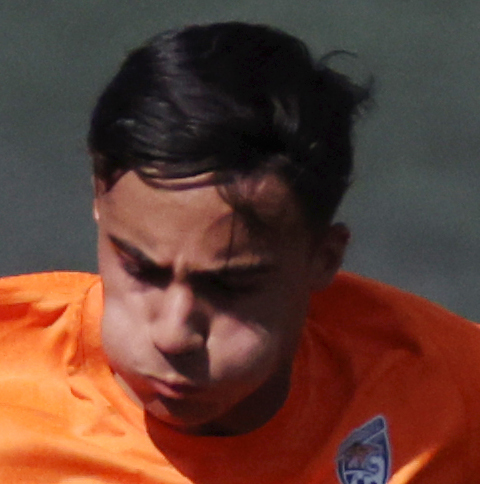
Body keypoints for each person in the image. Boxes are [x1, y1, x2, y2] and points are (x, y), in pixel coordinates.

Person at [0, 21, 479, 484]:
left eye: (229, 286)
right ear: (100, 202)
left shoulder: (452, 393)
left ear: (324, 257)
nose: (174, 335)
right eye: (141, 270)